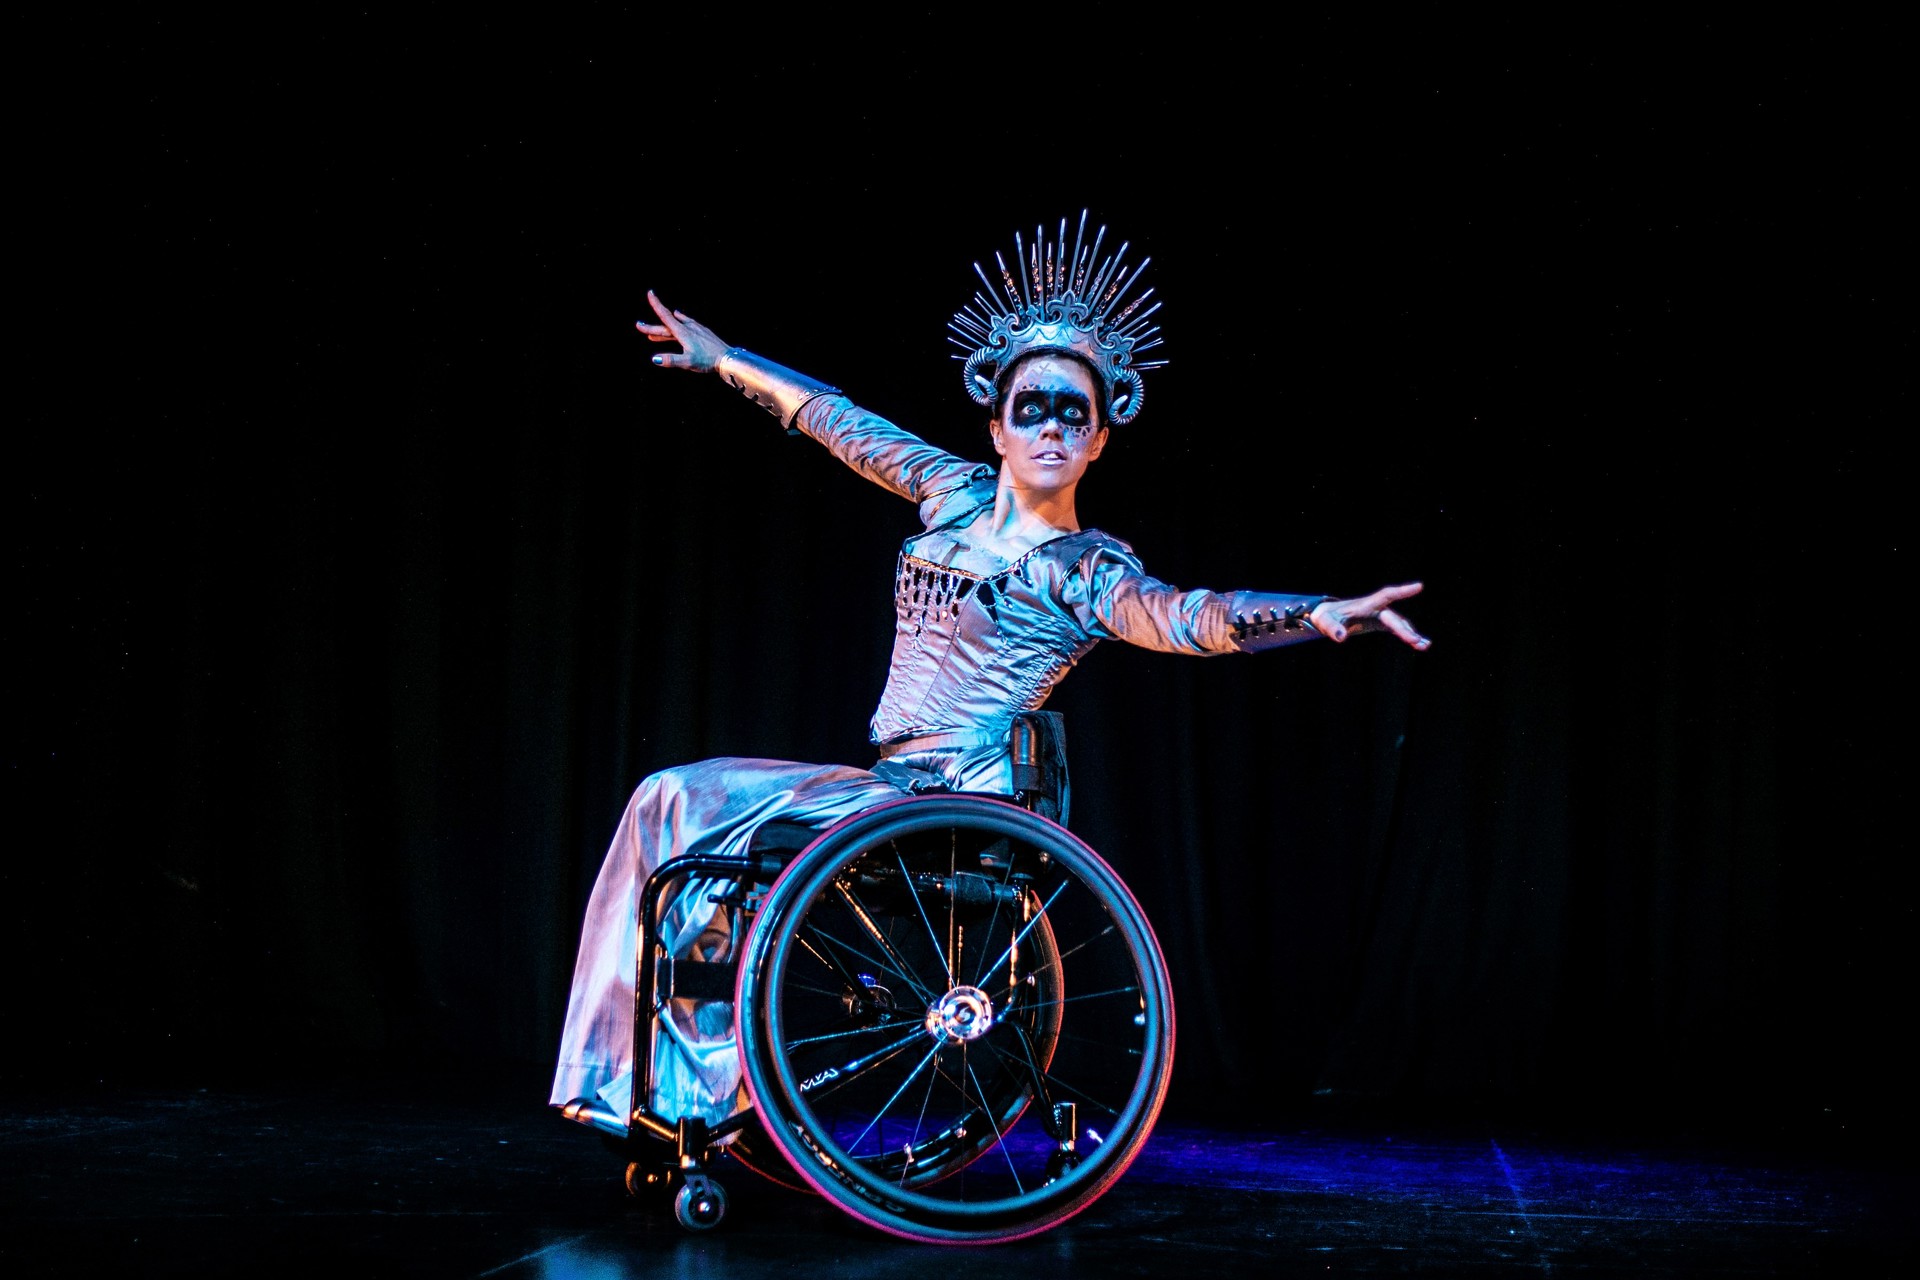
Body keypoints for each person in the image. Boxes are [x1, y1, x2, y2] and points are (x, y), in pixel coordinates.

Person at [550, 215, 1430, 1134]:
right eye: (1033, 408)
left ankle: (685, 1095)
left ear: (1098, 440)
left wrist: (1314, 614)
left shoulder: (1085, 567)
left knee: (700, 820)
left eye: (1073, 413)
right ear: (998, 427)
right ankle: (646, 1091)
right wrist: (726, 358)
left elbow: (1188, 616)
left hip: (961, 800)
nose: (1052, 426)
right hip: (881, 787)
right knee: (670, 804)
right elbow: (838, 423)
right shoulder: (951, 491)